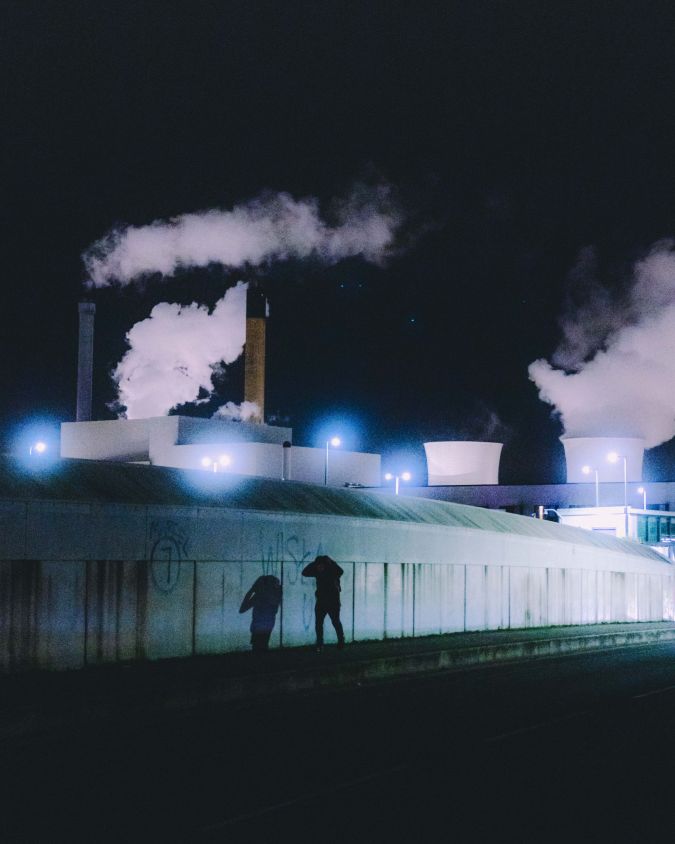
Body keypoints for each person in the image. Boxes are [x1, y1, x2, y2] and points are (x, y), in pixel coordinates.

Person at [302, 555, 345, 651]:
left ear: (325, 566)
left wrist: (331, 562)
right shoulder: (317, 572)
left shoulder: (332, 572)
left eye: (321, 566)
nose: (319, 568)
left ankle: (340, 641)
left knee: (335, 622)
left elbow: (341, 571)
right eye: (318, 566)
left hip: (333, 602)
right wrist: (314, 564)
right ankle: (320, 644)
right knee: (319, 623)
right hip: (322, 601)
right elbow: (304, 572)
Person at [239, 575, 282, 651]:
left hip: (258, 630)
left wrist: (252, 590)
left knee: (258, 649)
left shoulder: (259, 597)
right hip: (264, 630)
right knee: (262, 648)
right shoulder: (274, 597)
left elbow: (242, 609)